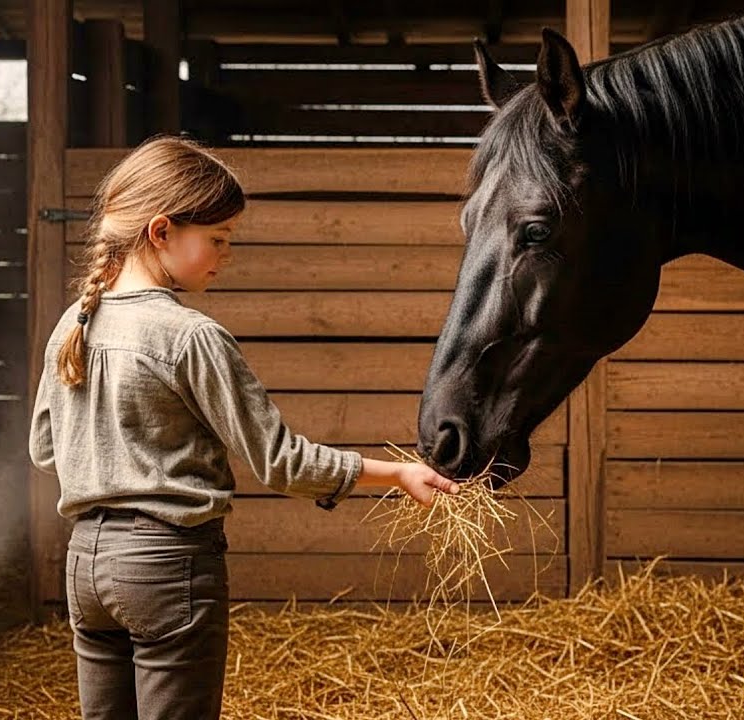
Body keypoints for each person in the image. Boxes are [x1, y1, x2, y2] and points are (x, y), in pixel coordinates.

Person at [28, 135, 459, 720]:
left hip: (85, 565)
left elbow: (45, 448)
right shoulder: (189, 336)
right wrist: (394, 471)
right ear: (161, 232)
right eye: (217, 239)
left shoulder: (73, 324)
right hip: (165, 566)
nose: (226, 254)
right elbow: (279, 461)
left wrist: (113, 459)